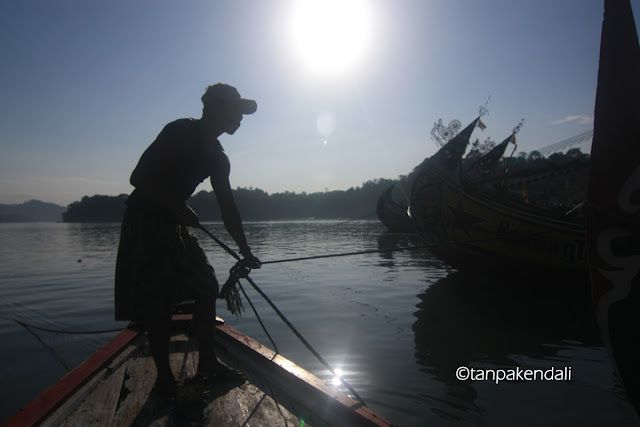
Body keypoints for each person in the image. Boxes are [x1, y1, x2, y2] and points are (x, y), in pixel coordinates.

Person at [114, 83, 262, 398]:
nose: (241, 119)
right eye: (238, 111)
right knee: (159, 298)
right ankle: (165, 379)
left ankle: (207, 364)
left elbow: (228, 206)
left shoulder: (219, 157)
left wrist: (245, 249)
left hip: (174, 222)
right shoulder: (182, 132)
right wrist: (178, 205)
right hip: (146, 221)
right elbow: (139, 178)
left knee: (206, 286)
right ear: (218, 107)